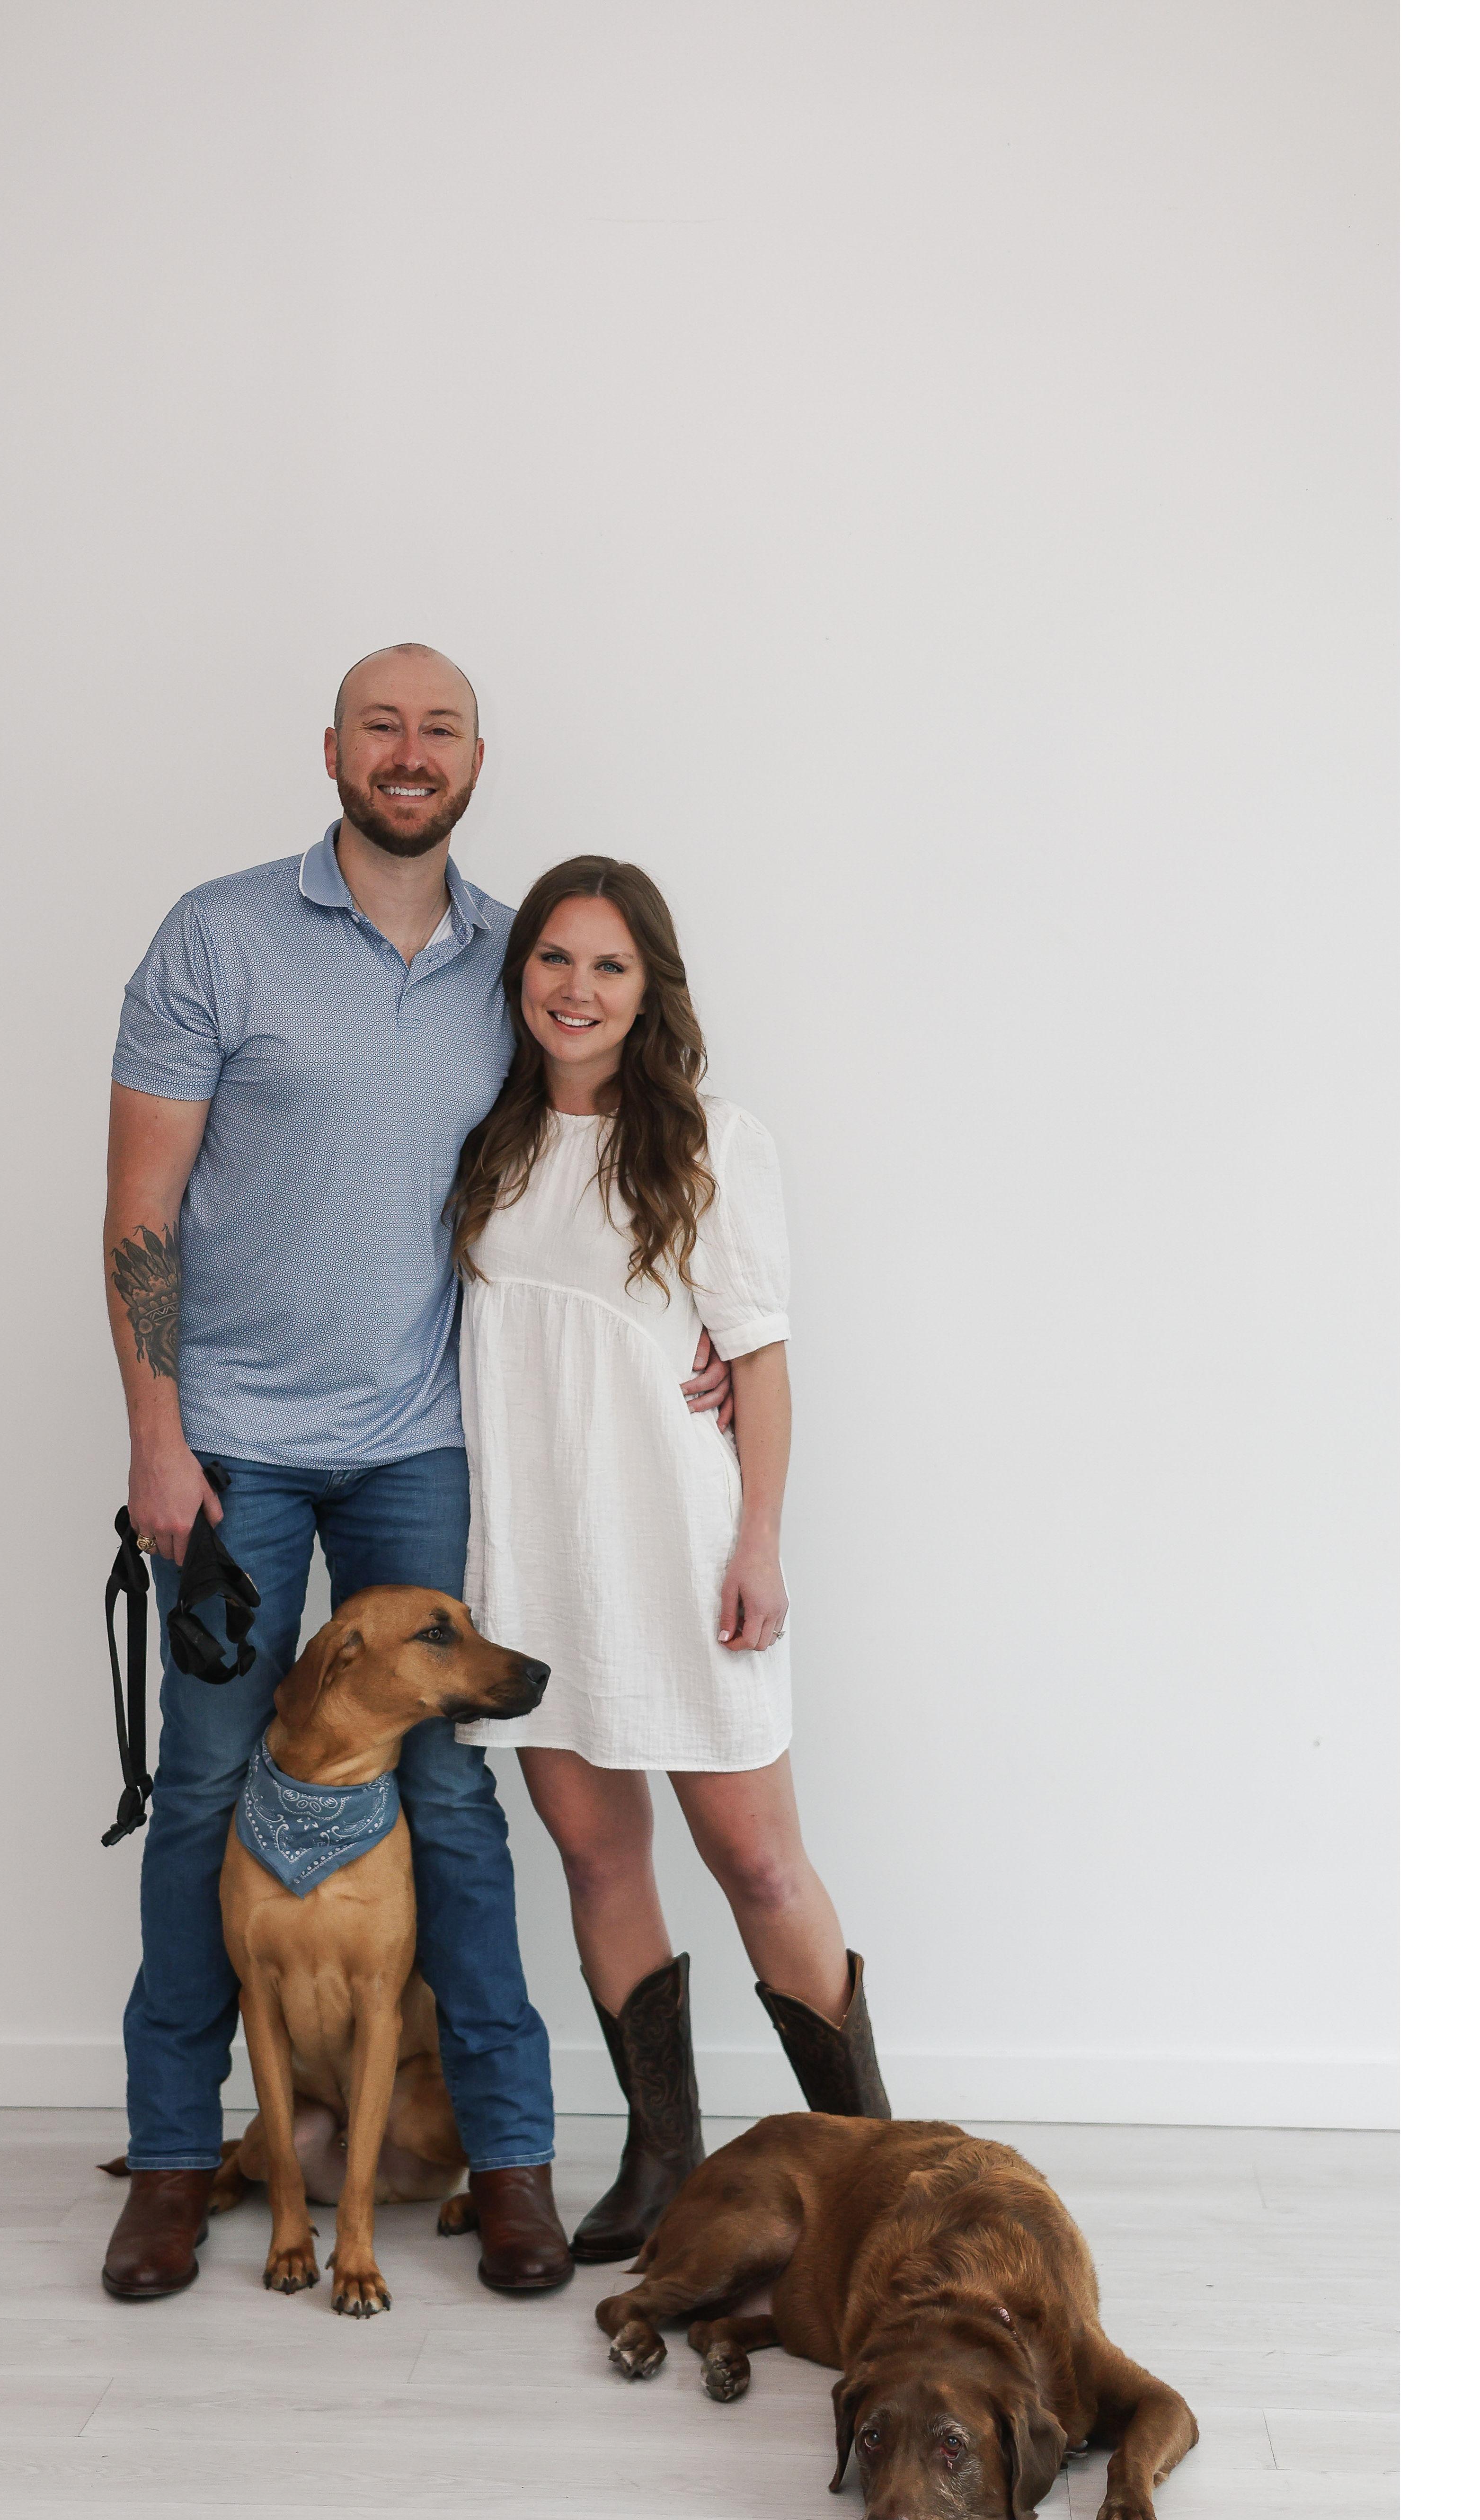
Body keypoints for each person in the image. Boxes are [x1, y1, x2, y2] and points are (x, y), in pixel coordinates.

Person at [96, 650, 735, 2302]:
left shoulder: (515, 963)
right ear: (330, 747)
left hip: (425, 1440)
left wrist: (710, 1331)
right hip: (230, 1444)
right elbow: (141, 1210)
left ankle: (509, 2160)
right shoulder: (215, 936)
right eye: (379, 724)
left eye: (437, 728)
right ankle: (171, 2160)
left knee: (451, 1795)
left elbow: (605, 1160)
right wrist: (156, 1436)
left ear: (474, 760)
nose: (407, 751)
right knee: (204, 1785)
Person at [447, 853, 892, 2267]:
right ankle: (664, 2160)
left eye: (609, 965)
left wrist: (759, 1540)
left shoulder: (709, 1141)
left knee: (757, 1859)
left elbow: (757, 1360)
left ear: (650, 991)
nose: (576, 989)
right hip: (535, 1561)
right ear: (520, 974)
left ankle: (876, 2177)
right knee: (595, 1852)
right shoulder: (488, 1143)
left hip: (681, 1550)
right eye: (554, 958)